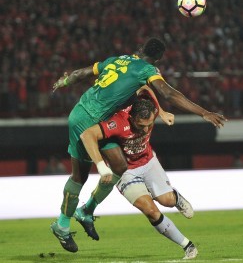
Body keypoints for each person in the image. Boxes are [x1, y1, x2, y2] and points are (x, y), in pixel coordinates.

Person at [50, 37, 227, 253]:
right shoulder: (148, 69)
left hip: (94, 115)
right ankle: (62, 225)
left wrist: (64, 82)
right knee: (81, 177)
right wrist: (204, 112)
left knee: (120, 166)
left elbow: (81, 74)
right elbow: (169, 93)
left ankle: (87, 211)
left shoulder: (117, 60)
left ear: (140, 48)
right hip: (84, 120)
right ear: (158, 59)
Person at [80, 87, 198, 259]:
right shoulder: (118, 122)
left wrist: (163, 112)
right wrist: (101, 165)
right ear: (131, 118)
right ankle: (188, 246)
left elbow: (144, 86)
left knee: (167, 201)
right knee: (151, 210)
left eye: (149, 124)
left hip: (149, 162)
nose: (145, 130)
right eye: (141, 125)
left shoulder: (152, 108)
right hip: (126, 172)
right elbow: (88, 134)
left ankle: (176, 198)